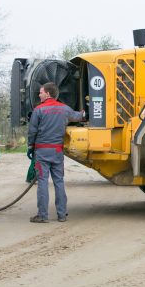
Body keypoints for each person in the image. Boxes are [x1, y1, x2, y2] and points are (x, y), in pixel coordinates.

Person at [27, 81, 84, 223]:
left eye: (40, 92)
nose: (39, 94)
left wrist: (30, 146)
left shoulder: (38, 110)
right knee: (59, 181)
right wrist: (84, 111)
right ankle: (62, 214)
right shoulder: (64, 109)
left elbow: (32, 131)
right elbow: (78, 117)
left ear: (47, 93)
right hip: (57, 151)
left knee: (42, 182)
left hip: (41, 151)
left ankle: (43, 215)